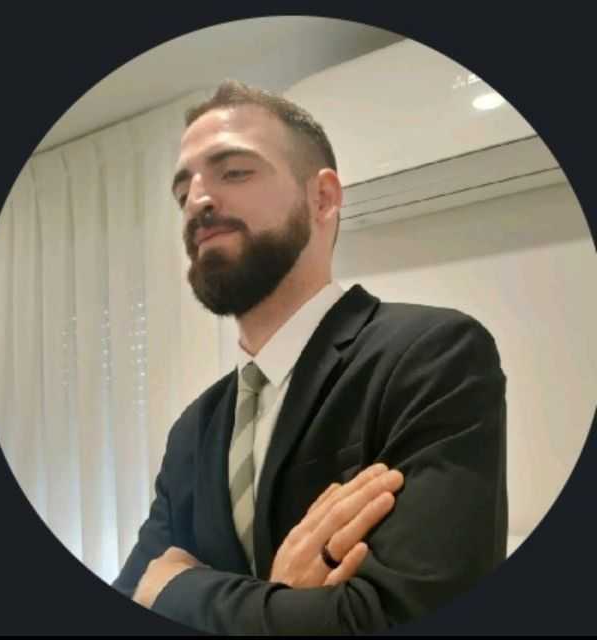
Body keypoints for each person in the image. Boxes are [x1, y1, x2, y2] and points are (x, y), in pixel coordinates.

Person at [112, 80, 508, 634]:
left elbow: (404, 614)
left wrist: (177, 588)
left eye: (234, 172)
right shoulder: (193, 431)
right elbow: (129, 594)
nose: (197, 201)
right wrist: (282, 603)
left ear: (322, 198)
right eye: (183, 193)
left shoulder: (432, 359)